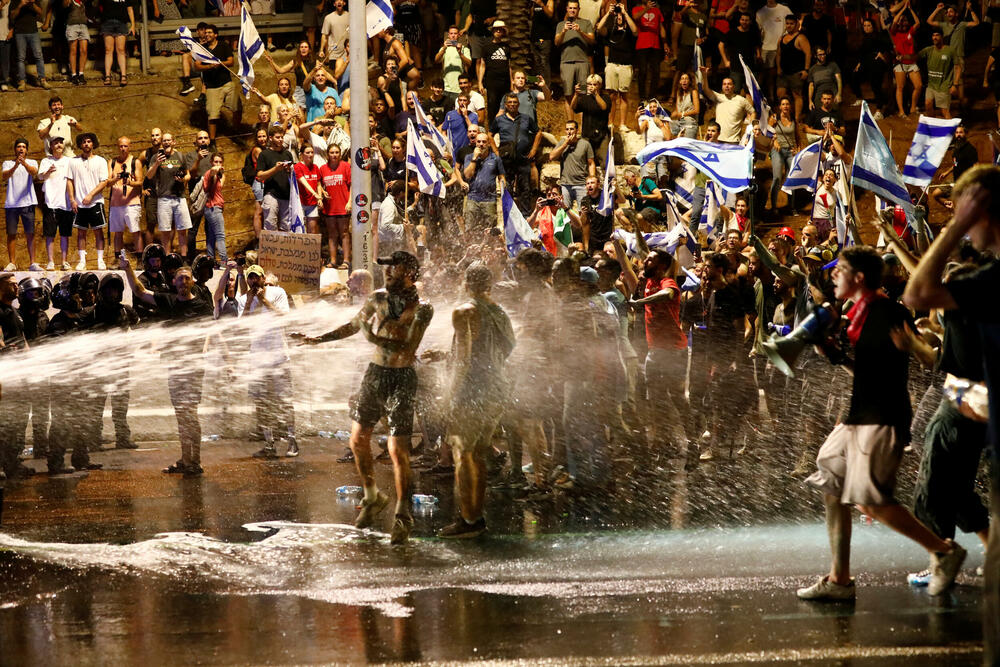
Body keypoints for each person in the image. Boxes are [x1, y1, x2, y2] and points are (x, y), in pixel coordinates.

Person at [797, 246, 966, 602]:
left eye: (841, 268)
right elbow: (866, 370)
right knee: (833, 485)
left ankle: (944, 551)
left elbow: (908, 366)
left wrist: (911, 346)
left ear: (859, 277)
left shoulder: (888, 312)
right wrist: (834, 354)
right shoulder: (856, 314)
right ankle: (839, 580)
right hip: (859, 414)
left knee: (870, 501)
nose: (833, 274)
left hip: (882, 416)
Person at [902, 164, 1000, 664]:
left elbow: (917, 291)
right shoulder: (979, 281)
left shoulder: (987, 279)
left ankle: (943, 550)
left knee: (938, 481)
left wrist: (954, 226)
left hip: (968, 403)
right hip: (973, 407)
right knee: (949, 482)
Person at [292, 250, 434, 545]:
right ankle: (372, 496)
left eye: (393, 268)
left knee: (398, 450)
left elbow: (407, 347)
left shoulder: (423, 308)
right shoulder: (378, 298)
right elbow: (355, 325)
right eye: (386, 268)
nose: (387, 272)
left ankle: (403, 515)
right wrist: (318, 339)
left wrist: (372, 337)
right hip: (375, 374)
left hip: (401, 379)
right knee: (357, 441)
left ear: (409, 272)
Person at [438, 263, 515, 538]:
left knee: (461, 453)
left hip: (472, 390)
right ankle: (476, 517)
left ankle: (468, 520)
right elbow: (507, 348)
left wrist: (449, 395)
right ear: (489, 284)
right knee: (479, 453)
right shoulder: (500, 312)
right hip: (497, 388)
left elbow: (464, 358)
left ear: (466, 282)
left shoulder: (464, 311)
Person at [121, 253, 214, 477]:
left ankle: (195, 461)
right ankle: (185, 458)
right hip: (175, 367)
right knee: (180, 414)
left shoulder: (201, 306)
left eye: (187, 278)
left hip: (192, 368)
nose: (183, 282)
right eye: (180, 278)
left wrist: (202, 350)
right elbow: (140, 292)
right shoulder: (170, 301)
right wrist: (127, 268)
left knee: (190, 413)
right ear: (174, 281)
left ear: (192, 282)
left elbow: (210, 331)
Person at [239, 265, 297, 459]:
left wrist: (264, 300)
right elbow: (242, 327)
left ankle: (292, 440)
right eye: (250, 278)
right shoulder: (243, 299)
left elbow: (284, 317)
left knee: (284, 400)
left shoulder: (278, 292)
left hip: (279, 357)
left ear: (263, 278)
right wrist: (249, 302)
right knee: (262, 402)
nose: (253, 281)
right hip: (257, 359)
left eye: (257, 277)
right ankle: (269, 443)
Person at [67, 133, 115, 271]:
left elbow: (104, 181)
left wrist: (90, 195)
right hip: (79, 204)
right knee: (81, 233)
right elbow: (69, 181)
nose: (86, 144)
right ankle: (82, 261)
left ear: (93, 143)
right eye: (84, 142)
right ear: (80, 145)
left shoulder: (100, 161)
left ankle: (100, 261)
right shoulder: (73, 161)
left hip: (96, 202)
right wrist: (72, 200)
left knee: (98, 231)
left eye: (89, 141)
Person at [145, 132, 193, 259]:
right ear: (162, 143)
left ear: (173, 142)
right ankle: (167, 258)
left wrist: (183, 179)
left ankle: (184, 258)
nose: (166, 142)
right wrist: (157, 163)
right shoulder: (156, 157)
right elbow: (149, 175)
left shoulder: (180, 156)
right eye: (164, 141)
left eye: (169, 140)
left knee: (182, 230)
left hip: (179, 197)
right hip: (164, 198)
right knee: (165, 231)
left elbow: (188, 174)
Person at [194, 25, 239, 142]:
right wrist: (209, 66)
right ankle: (212, 141)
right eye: (206, 33)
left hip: (226, 83)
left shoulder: (223, 45)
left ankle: (236, 132)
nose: (207, 35)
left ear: (215, 34)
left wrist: (219, 63)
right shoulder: (201, 48)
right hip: (211, 87)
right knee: (212, 115)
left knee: (236, 107)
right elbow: (197, 66)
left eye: (209, 32)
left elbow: (231, 61)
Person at [3, 137, 39, 271]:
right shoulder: (7, 163)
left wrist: (24, 164)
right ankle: (12, 263)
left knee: (30, 233)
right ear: (15, 149)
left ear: (27, 150)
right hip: (11, 204)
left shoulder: (32, 162)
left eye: (23, 147)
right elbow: (4, 176)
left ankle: (33, 263)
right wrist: (16, 165)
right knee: (11, 233)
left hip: (28, 202)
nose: (21, 149)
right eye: (19, 146)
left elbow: (34, 172)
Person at [37, 136, 73, 270]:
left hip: (66, 203)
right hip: (50, 202)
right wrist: (48, 171)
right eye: (55, 143)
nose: (58, 145)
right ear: (51, 146)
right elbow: (40, 176)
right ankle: (51, 261)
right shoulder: (46, 161)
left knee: (65, 234)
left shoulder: (69, 161)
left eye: (60, 143)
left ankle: (64, 261)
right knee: (49, 234)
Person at [600, 2, 637, 132]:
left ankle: (622, 124)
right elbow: (599, 28)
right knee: (612, 96)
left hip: (625, 66)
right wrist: (608, 14)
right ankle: (610, 123)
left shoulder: (629, 30)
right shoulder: (611, 29)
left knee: (623, 95)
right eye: (618, 16)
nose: (619, 17)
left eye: (621, 16)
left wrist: (625, 13)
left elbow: (635, 30)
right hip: (612, 64)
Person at [555, 0, 596, 117]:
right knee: (568, 93)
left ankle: (583, 125)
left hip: (582, 63)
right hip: (566, 63)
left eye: (575, 8)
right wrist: (564, 31)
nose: (572, 10)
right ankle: (570, 122)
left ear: (579, 9)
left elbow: (592, 41)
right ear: (567, 9)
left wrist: (580, 31)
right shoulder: (560, 25)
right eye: (570, 8)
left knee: (583, 93)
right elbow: (557, 42)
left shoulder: (586, 23)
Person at [462, 131, 505, 235]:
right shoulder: (469, 157)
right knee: (470, 231)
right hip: (472, 199)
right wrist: (474, 158)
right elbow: (467, 175)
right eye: (479, 141)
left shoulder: (496, 159)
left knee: (489, 232)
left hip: (489, 200)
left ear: (489, 144)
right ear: (475, 143)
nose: (481, 144)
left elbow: (502, 178)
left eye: (484, 142)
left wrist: (504, 195)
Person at [108, 135, 144, 256]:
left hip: (131, 203)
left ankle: (139, 258)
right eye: (121, 146)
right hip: (116, 204)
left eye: (125, 146)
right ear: (117, 147)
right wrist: (116, 178)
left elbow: (140, 182)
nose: (123, 148)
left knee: (135, 231)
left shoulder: (135, 162)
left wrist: (129, 182)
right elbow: (107, 182)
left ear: (130, 147)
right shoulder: (112, 162)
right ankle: (118, 258)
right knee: (118, 233)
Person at [255, 125, 296, 232]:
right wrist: (275, 169)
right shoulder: (264, 154)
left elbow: (293, 174)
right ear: (270, 138)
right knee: (270, 226)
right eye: (278, 137)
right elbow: (259, 176)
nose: (280, 139)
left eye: (282, 137)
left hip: (286, 194)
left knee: (286, 228)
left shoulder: (287, 154)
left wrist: (289, 170)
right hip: (271, 194)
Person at [319, 143, 351, 269]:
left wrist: (349, 202)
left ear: (340, 154)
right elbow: (318, 183)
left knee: (344, 233)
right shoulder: (323, 168)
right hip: (330, 207)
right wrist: (322, 191)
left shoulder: (345, 166)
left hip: (343, 205)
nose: (334, 155)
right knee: (332, 234)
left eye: (337, 152)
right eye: (332, 152)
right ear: (328, 154)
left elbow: (352, 185)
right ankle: (333, 260)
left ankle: (346, 260)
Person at [550, 119, 594, 208]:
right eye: (567, 129)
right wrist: (565, 144)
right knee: (566, 212)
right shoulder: (562, 143)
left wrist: (592, 180)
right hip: (566, 184)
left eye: (571, 129)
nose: (569, 132)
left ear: (577, 130)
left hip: (581, 184)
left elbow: (591, 163)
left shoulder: (585, 144)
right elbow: (552, 157)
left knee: (583, 211)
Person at [776, 14, 810, 119]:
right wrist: (778, 68)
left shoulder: (801, 38)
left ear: (796, 24)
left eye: (791, 24)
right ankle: (784, 118)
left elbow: (808, 53)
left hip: (796, 73)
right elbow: (778, 54)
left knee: (797, 95)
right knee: (780, 94)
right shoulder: (782, 38)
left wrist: (806, 70)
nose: (789, 26)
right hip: (783, 73)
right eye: (787, 23)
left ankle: (797, 119)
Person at [890, 3, 921, 118]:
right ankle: (901, 111)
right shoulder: (894, 32)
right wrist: (903, 9)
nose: (903, 22)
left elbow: (918, 23)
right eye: (901, 21)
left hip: (911, 62)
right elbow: (894, 21)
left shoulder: (910, 31)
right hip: (900, 63)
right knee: (900, 87)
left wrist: (910, 9)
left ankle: (913, 108)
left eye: (905, 20)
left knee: (918, 85)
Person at [702, 75, 754, 143]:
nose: (726, 86)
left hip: (733, 141)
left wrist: (750, 127)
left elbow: (753, 112)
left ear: (733, 86)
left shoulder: (741, 100)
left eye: (729, 84)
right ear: (722, 87)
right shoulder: (718, 97)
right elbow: (706, 89)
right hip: (717, 139)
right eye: (724, 84)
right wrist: (704, 75)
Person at [756, 0, 792, 98]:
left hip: (781, 47)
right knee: (765, 75)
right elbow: (758, 31)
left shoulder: (785, 9)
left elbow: (794, 23)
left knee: (780, 74)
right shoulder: (760, 12)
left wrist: (787, 39)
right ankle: (765, 97)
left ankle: (780, 98)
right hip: (766, 47)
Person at [918, 28, 957, 119]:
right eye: (933, 35)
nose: (934, 37)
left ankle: (951, 128)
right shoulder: (929, 50)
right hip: (931, 85)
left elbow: (958, 67)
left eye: (937, 35)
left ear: (942, 37)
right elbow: (915, 56)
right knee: (928, 104)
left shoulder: (950, 51)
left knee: (944, 111)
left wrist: (955, 84)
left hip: (944, 85)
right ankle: (933, 124)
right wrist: (902, 56)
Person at [478, 20, 511, 122]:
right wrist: (480, 83)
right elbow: (482, 65)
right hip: (491, 81)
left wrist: (512, 82)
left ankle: (504, 126)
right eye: (496, 29)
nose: (498, 31)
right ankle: (492, 127)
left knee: (505, 105)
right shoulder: (486, 47)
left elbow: (509, 66)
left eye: (500, 30)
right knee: (492, 105)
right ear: (492, 31)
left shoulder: (507, 47)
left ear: (503, 32)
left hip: (505, 81)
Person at [11, 0, 48, 91]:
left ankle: (42, 80)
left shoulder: (34, 1)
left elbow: (41, 12)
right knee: (21, 58)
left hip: (33, 31)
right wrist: (20, 5)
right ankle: (22, 81)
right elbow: (12, 16)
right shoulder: (15, 1)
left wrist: (32, 4)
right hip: (19, 32)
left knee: (39, 56)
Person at [630, 0, 663, 102]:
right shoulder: (636, 9)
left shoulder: (657, 11)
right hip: (642, 44)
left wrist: (665, 42)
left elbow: (661, 27)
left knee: (656, 71)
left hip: (655, 44)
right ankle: (642, 96)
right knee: (643, 71)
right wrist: (647, 9)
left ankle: (652, 96)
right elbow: (635, 17)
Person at [99, 0, 135, 87]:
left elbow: (130, 9)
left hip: (121, 23)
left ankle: (123, 76)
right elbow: (100, 7)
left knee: (121, 50)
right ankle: (107, 76)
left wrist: (133, 25)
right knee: (108, 50)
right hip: (107, 23)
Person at [201, 152, 227, 263]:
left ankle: (210, 262)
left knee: (211, 236)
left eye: (220, 162)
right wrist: (215, 171)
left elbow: (218, 188)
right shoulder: (209, 173)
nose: (218, 164)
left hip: (215, 207)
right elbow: (212, 173)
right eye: (216, 161)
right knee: (220, 235)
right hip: (213, 208)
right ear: (211, 162)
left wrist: (219, 173)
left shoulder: (221, 175)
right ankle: (224, 262)